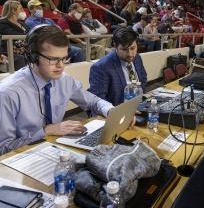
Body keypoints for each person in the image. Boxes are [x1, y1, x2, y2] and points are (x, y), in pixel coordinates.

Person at [0, 25, 117, 155]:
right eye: (53, 59)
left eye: (64, 58)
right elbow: (3, 148)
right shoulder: (9, 92)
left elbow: (93, 101)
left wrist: (112, 111)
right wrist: (45, 131)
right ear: (33, 56)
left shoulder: (65, 80)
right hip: (21, 158)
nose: (61, 65)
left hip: (55, 149)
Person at [89, 27, 147, 106]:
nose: (130, 54)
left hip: (138, 106)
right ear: (115, 45)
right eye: (124, 49)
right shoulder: (101, 67)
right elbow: (98, 102)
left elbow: (143, 78)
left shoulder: (137, 58)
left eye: (133, 48)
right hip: (116, 112)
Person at [0, 0, 28, 71]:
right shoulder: (2, 22)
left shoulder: (22, 24)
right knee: (20, 58)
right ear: (13, 10)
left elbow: (32, 33)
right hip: (10, 52)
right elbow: (12, 34)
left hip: (26, 51)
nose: (23, 10)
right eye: (21, 8)